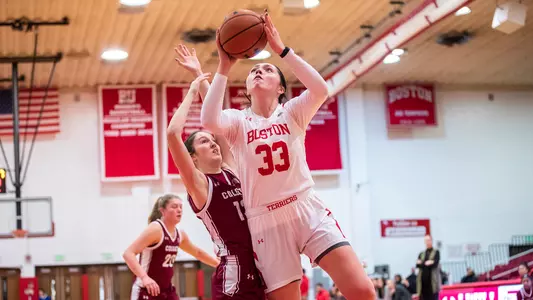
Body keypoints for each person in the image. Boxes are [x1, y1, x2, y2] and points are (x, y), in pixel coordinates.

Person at [200, 9, 375, 300]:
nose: (259, 71)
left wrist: (281, 50)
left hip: (306, 208)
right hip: (266, 222)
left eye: (268, 70)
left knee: (363, 291)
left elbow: (321, 88)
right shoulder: (237, 122)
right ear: (246, 88)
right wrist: (223, 67)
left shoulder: (292, 112)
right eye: (255, 70)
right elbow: (208, 120)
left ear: (281, 88)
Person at [167, 44, 266, 299]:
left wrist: (199, 75)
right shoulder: (199, 184)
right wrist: (191, 91)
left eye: (211, 139)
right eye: (203, 141)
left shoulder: (231, 169)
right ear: (193, 158)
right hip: (234, 270)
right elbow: (172, 134)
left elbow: (217, 118)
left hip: (262, 260)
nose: (211, 142)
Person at [123, 194, 219, 300]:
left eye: (180, 207)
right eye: (174, 207)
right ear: (162, 211)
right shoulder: (156, 229)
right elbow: (128, 253)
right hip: (146, 290)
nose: (179, 210)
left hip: (166, 291)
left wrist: (218, 264)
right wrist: (144, 278)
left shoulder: (180, 234)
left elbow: (197, 253)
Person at [416, 235, 441, 300]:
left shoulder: (436, 252)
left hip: (432, 284)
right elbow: (418, 265)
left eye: (429, 240)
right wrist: (428, 262)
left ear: (431, 241)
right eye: (426, 240)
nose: (427, 242)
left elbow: (435, 264)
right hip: (422, 285)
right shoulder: (422, 253)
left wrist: (423, 263)